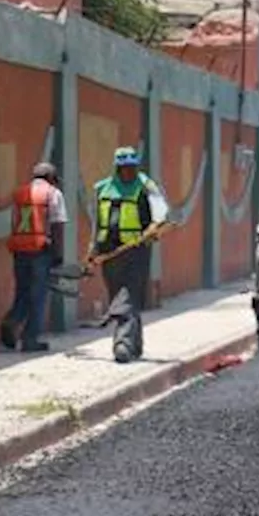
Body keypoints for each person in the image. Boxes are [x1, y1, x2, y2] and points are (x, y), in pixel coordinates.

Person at [86, 146, 170, 363]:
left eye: (132, 167)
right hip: (109, 252)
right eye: (124, 168)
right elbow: (97, 221)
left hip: (136, 250)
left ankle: (122, 344)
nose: (128, 172)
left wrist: (154, 224)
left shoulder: (145, 186)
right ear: (117, 168)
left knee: (127, 296)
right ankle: (136, 346)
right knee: (120, 296)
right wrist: (93, 248)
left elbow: (161, 209)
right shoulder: (103, 188)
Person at [0, 162, 67, 352]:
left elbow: (14, 221)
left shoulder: (19, 193)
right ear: (51, 178)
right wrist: (58, 254)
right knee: (38, 296)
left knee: (22, 291)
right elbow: (57, 225)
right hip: (41, 250)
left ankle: (11, 320)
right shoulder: (53, 193)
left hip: (19, 249)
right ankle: (30, 339)